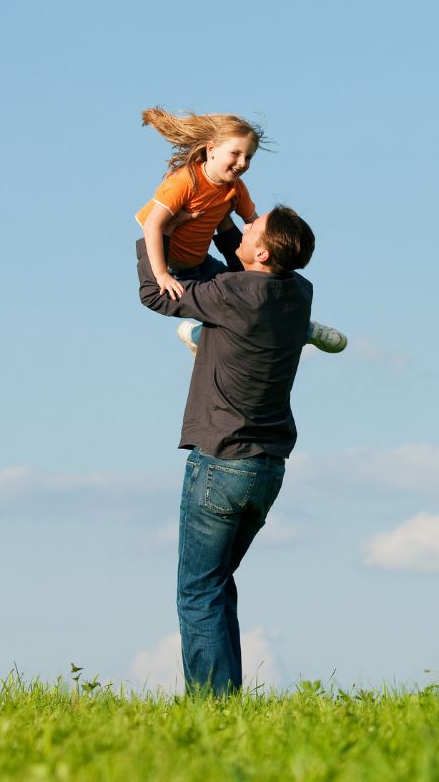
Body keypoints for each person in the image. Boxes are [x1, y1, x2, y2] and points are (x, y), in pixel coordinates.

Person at [136, 205, 315, 696]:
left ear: (263, 253)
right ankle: (228, 705)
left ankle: (213, 708)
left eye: (253, 225)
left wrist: (155, 230)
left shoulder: (233, 295)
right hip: (267, 470)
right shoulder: (298, 291)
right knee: (215, 585)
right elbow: (246, 267)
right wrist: (219, 216)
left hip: (221, 463)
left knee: (198, 593)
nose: (247, 224)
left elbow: (154, 293)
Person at [137, 107, 346, 353]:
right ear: (211, 150)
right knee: (238, 305)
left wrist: (276, 258)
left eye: (248, 157)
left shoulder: (235, 188)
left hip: (202, 263)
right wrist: (162, 274)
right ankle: (198, 335)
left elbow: (261, 231)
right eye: (235, 154)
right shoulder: (185, 182)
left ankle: (302, 326)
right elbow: (152, 224)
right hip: (175, 270)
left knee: (256, 290)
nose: (242, 163)